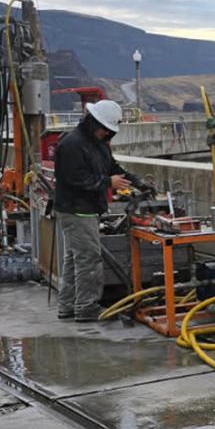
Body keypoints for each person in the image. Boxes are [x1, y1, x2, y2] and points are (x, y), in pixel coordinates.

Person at [52, 99, 138, 322]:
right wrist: (108, 183)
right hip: (76, 210)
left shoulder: (97, 143)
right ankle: (86, 307)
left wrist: (136, 181)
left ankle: (68, 305)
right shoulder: (72, 144)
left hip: (85, 208)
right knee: (88, 259)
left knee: (75, 258)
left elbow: (111, 166)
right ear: (93, 123)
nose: (106, 134)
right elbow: (75, 179)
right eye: (104, 130)